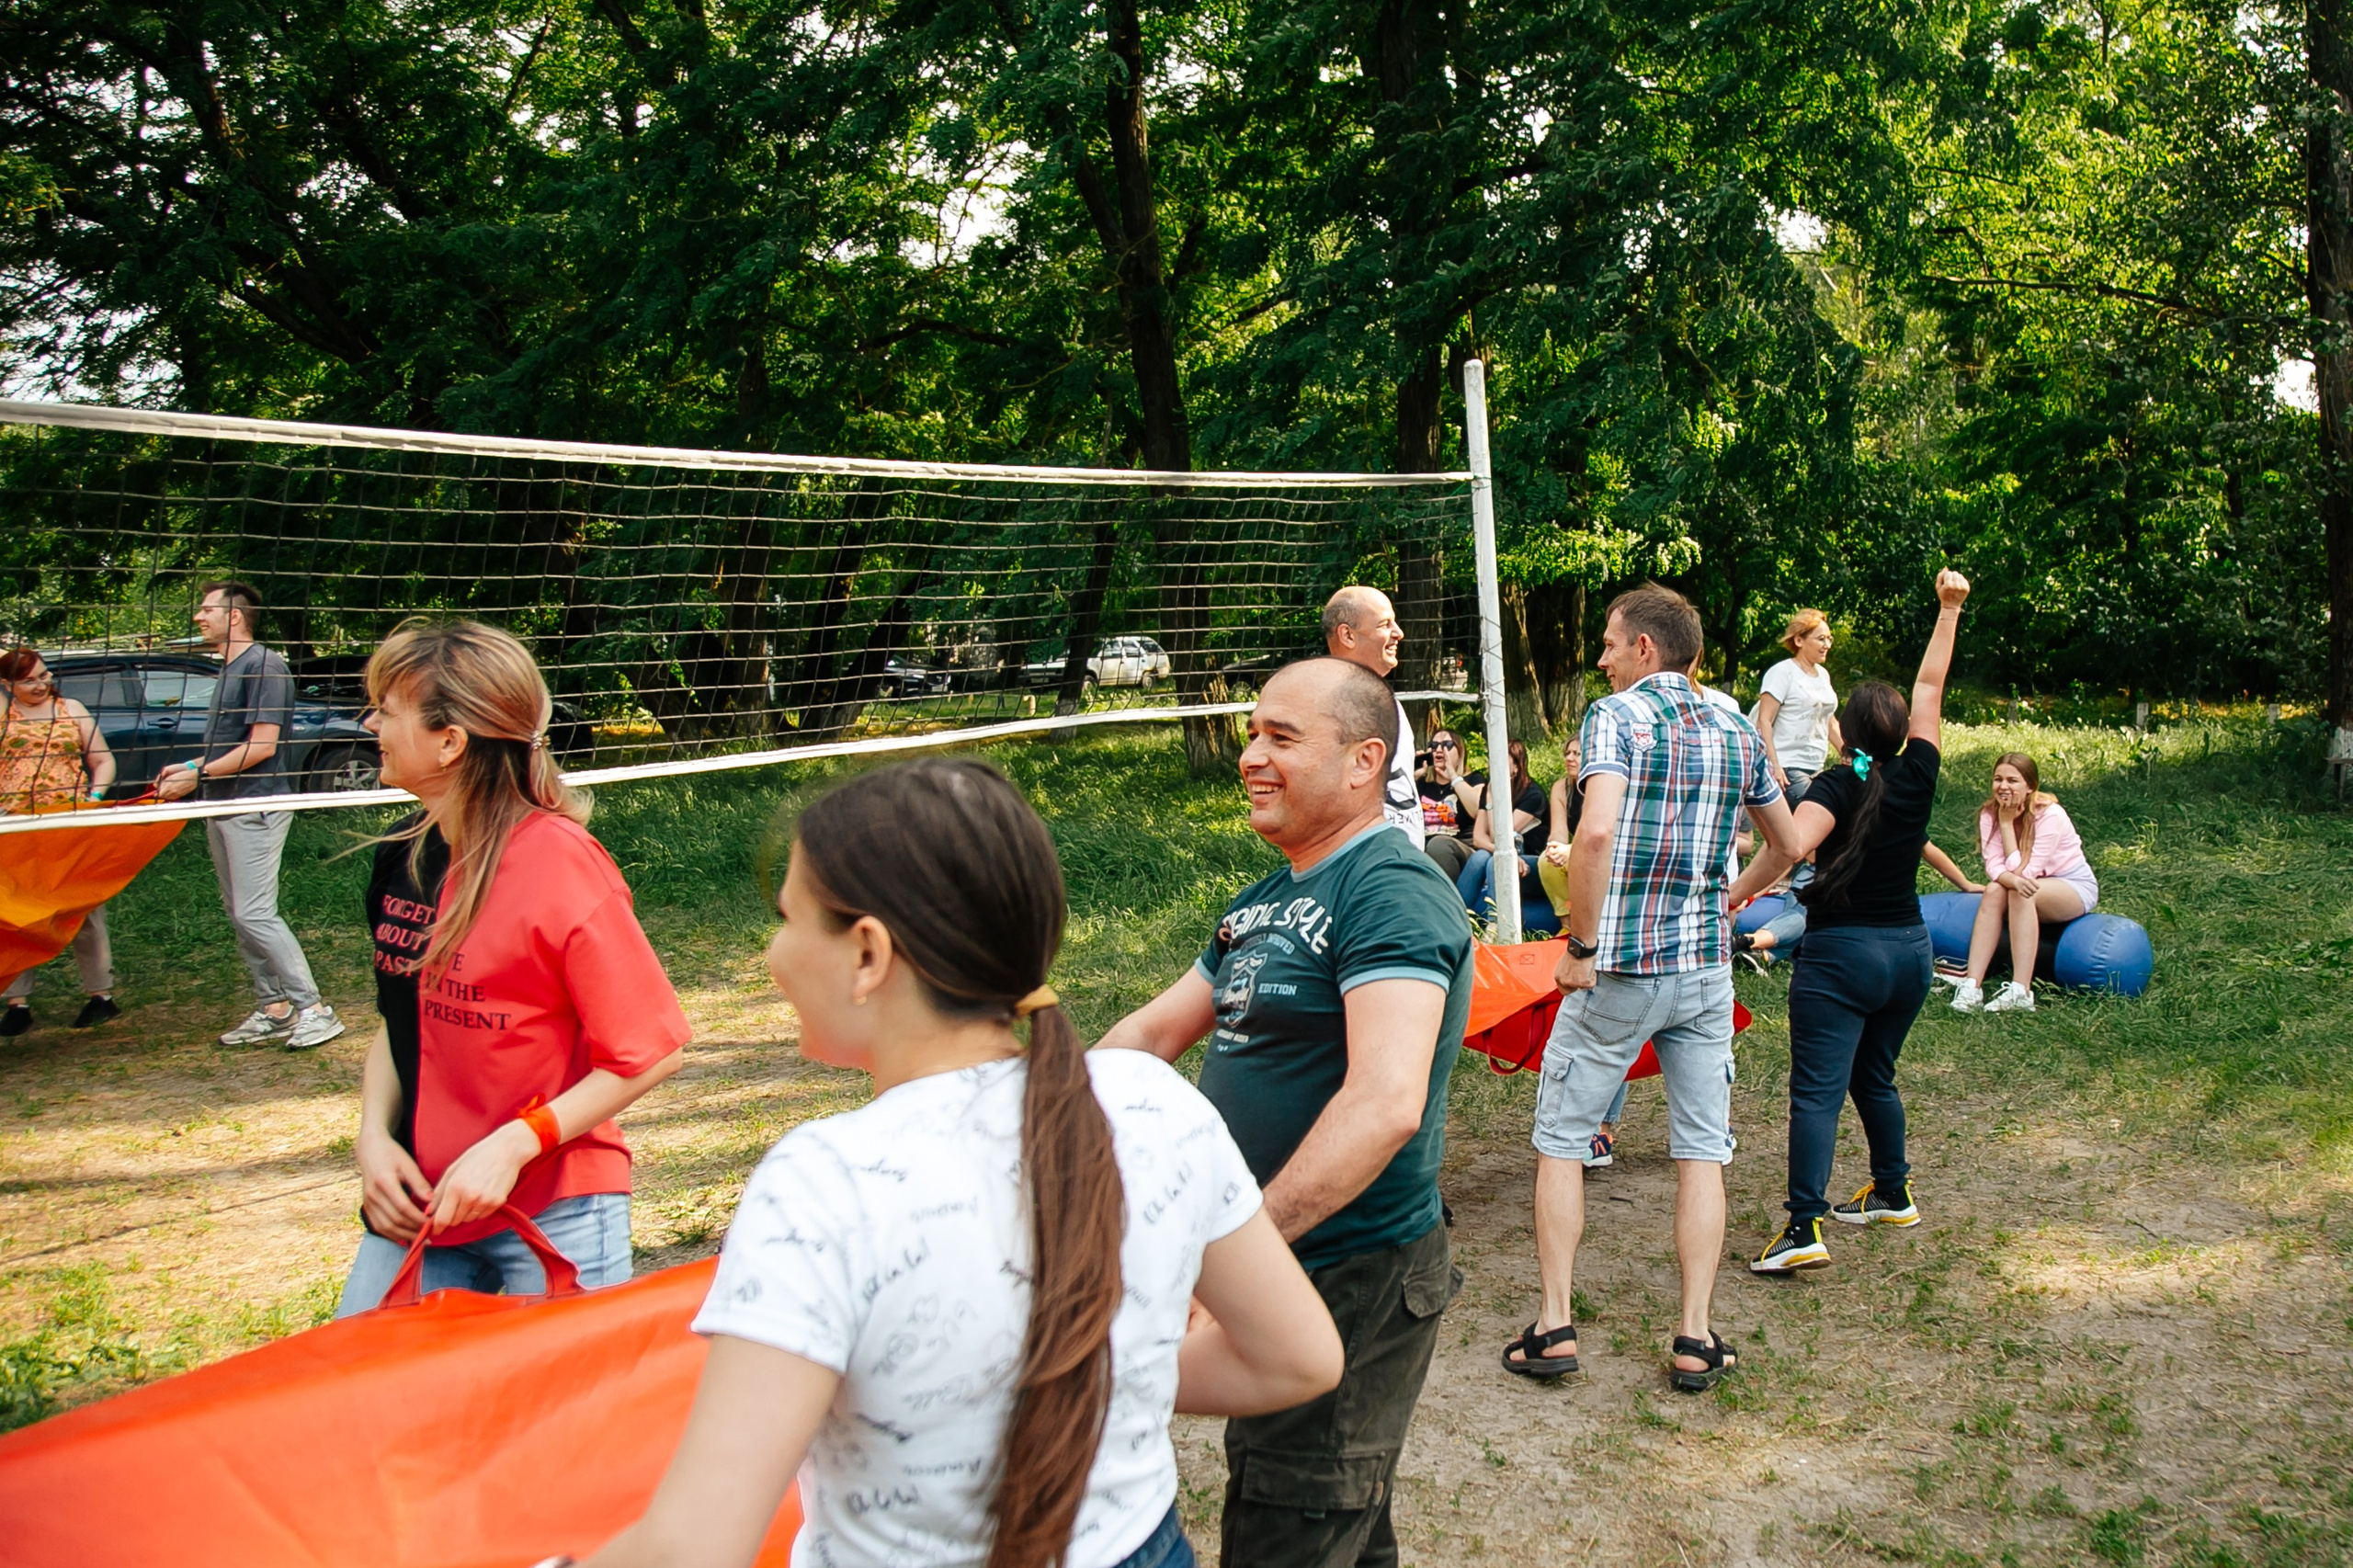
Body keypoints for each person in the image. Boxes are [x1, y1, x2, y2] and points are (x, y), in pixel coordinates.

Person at [577, 759, 1342, 1568]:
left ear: (868, 954)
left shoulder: (827, 1180)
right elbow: (1299, 1356)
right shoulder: (1158, 1106)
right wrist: (1091, 1374)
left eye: (786, 917)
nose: (774, 950)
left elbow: (694, 1544)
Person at [1100, 656, 1473, 1568]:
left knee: (1293, 1510)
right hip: (1280, 1260)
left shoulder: (1388, 885)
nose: (1251, 755)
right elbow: (1148, 1034)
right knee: (1327, 1506)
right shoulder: (1262, 899)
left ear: (1361, 761)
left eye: (1281, 736)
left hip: (1348, 1270)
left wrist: (1234, 1250)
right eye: (1251, 733)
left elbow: (1385, 1103)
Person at [335, 620, 690, 1316]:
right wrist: (374, 1138)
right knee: (369, 1403)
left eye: (387, 708)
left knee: (567, 1416)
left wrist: (515, 1144)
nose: (369, 722)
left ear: (450, 740)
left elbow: (649, 1053)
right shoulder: (402, 858)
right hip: (423, 1201)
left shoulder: (560, 864)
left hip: (553, 1197)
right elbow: (401, 1017)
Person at [1503, 585, 1800, 1392]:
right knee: (1702, 1150)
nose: (1599, 657)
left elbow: (1593, 830)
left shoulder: (1619, 718)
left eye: (1608, 642)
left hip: (1622, 969)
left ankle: (1556, 1326)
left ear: (1646, 650)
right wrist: (1733, 898)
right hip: (1704, 973)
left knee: (1564, 1138)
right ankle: (1695, 1335)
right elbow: (1789, 843)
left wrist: (1582, 947)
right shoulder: (1739, 730)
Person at [1733, 569, 1972, 1274]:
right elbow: (1930, 688)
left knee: (1816, 1091)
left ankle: (1803, 1228)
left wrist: (1734, 895)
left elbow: (1792, 846)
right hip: (1910, 956)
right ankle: (1892, 1192)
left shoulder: (1839, 783)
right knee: (1876, 1077)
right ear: (1902, 732)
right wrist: (1949, 610)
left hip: (1842, 959)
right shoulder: (1918, 769)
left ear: (1846, 732)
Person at [153, 582, 346, 1050]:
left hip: (255, 803)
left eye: (205, 610)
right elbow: (232, 743)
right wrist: (191, 769)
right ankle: (274, 1007)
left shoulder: (265, 664)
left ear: (234, 616)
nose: (198, 618)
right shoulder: (231, 667)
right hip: (224, 803)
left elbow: (262, 746)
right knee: (239, 914)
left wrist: (196, 775)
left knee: (256, 913)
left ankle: (315, 1009)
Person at [0, 646, 119, 1034]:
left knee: (83, 909)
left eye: (45, 675)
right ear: (8, 685)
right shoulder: (3, 716)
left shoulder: (73, 709)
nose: (40, 684)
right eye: (29, 680)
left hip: (71, 824)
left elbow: (103, 760)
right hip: (16, 827)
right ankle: (17, 1003)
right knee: (18, 914)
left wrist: (94, 799)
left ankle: (100, 995)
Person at [1950, 752, 2099, 1014]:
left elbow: (2027, 872)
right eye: (1998, 779)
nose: (2003, 786)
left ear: (2030, 786)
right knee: (1996, 890)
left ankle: (2021, 990)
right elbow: (1993, 868)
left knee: (2020, 892)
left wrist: (2007, 826)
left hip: (2071, 885)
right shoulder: (1989, 814)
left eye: (2013, 780)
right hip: (2026, 884)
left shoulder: (2050, 815)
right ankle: (1971, 984)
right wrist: (2003, 826)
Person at [1322, 585, 1423, 847]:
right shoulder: (1326, 706)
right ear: (1348, 635)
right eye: (1384, 624)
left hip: (1401, 861)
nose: (1398, 633)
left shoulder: (1385, 699)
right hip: (1366, 866)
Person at [1465, 739, 1553, 932]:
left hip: (1531, 863)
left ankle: (1496, 928)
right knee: (1480, 857)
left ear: (1516, 767)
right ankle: (1456, 917)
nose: (1492, 765)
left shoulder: (1533, 796)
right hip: (1506, 857)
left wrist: (1490, 800)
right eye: (1491, 759)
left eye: (1500, 760)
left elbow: (1500, 839)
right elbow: (1479, 838)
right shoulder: (1489, 790)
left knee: (1494, 862)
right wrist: (1490, 797)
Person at [1755, 608, 1842, 801]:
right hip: (1788, 767)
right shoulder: (1782, 673)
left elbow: (1830, 722)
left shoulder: (1823, 675)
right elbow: (1764, 721)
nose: (1827, 645)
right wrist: (1774, 766)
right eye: (1821, 639)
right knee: (1817, 814)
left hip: (1817, 767)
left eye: (1829, 638)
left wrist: (1848, 753)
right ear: (1799, 640)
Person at [1415, 728, 1484, 881]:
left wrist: (1454, 777)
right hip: (1423, 849)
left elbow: (1477, 809)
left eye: (1446, 745)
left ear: (1460, 752)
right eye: (1433, 745)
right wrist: (1410, 777)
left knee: (1439, 846)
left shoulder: (1473, 779)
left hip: (1460, 850)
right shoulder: (1421, 784)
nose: (1439, 750)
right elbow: (1394, 812)